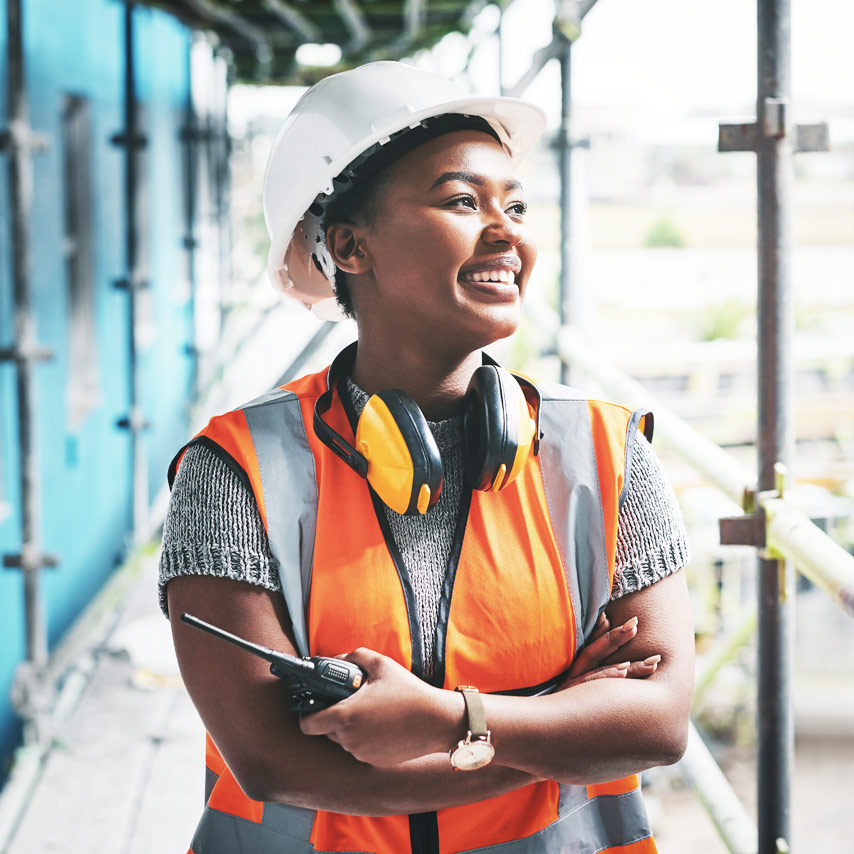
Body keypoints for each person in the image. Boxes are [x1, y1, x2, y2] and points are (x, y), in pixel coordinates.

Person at [160, 61, 694, 854]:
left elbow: (654, 723)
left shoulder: (606, 454)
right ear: (350, 246)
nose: (507, 229)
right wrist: (558, 718)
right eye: (461, 200)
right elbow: (272, 763)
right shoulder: (234, 470)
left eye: (514, 203)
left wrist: (450, 719)